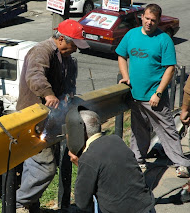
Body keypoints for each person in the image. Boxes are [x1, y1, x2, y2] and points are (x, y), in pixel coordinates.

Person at [15, 19, 89, 213]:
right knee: (45, 166)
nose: (75, 49)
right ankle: (18, 203)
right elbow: (35, 75)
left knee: (34, 164)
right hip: (33, 119)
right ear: (62, 39)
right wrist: (47, 93)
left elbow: (68, 85)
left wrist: (69, 97)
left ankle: (29, 205)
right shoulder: (42, 51)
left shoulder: (66, 58)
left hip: (51, 119)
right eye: (74, 44)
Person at [115, 3, 190, 178]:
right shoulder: (131, 35)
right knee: (138, 129)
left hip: (154, 96)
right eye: (147, 18)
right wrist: (125, 76)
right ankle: (138, 161)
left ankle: (181, 164)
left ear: (158, 21)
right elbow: (121, 55)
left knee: (167, 129)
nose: (149, 23)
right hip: (135, 95)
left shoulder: (163, 39)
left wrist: (158, 93)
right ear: (142, 17)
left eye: (153, 21)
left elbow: (170, 68)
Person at [68, 110, 156, 213]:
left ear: (79, 132)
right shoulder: (116, 140)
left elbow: (82, 202)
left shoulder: (88, 158)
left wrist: (82, 165)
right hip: (146, 207)